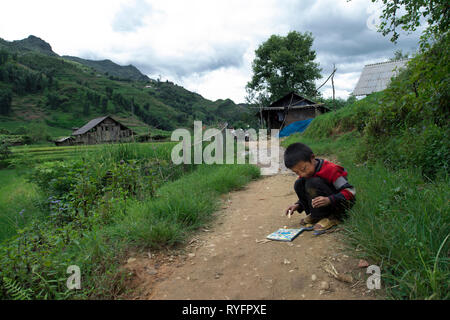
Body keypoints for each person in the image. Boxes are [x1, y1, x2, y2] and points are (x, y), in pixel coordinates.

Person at [284, 142, 355, 232]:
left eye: (303, 169)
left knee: (312, 182)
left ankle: (335, 217)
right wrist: (298, 205)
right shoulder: (305, 175)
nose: (302, 174)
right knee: (299, 183)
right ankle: (316, 216)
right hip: (325, 201)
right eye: (297, 172)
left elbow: (350, 191)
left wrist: (330, 199)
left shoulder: (330, 169)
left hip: (339, 205)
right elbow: (309, 193)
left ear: (312, 158)